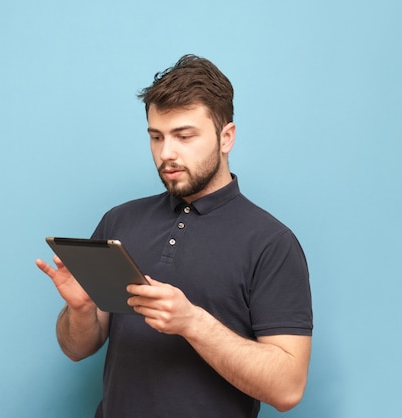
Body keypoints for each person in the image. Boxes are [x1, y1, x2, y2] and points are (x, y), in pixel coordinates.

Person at [36, 54, 313, 418]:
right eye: (156, 137)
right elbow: (76, 347)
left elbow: (287, 389)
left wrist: (192, 323)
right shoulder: (119, 221)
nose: (167, 153)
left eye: (184, 136)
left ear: (226, 137)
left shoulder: (271, 243)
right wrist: (81, 310)